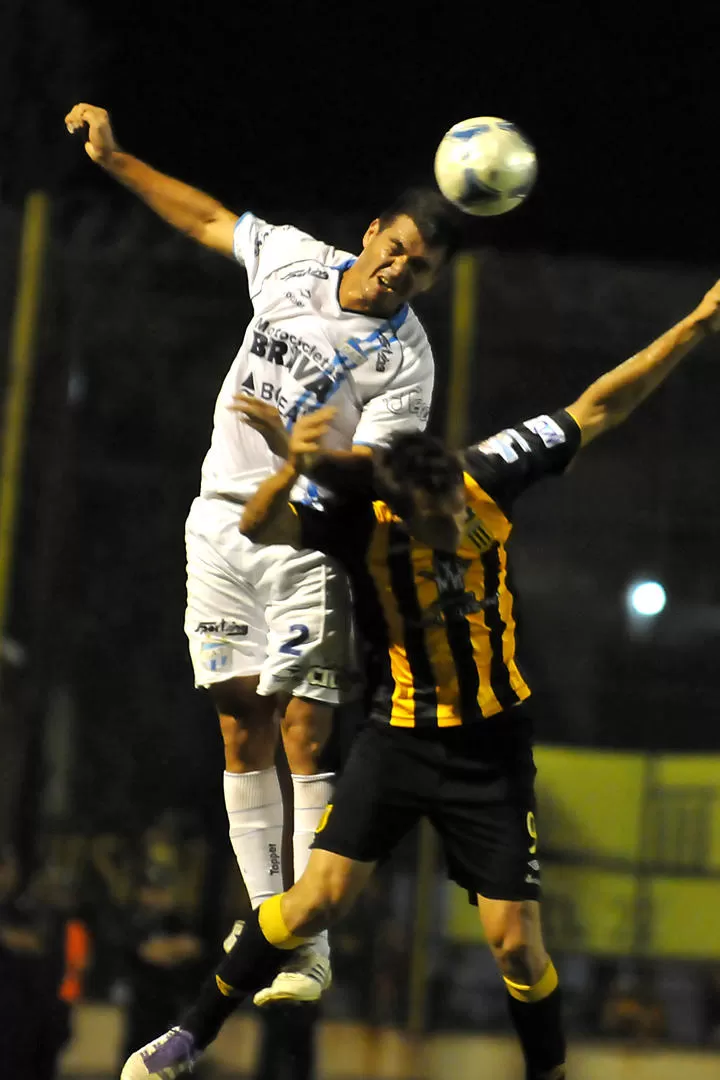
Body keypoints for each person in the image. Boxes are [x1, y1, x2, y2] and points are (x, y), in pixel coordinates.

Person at [119, 277, 720, 1080]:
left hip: (491, 747)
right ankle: (189, 1036)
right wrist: (290, 467)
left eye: (451, 511)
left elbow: (601, 403)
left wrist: (701, 321)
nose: (448, 527)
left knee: (516, 941)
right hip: (399, 736)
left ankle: (551, 1073)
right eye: (430, 518)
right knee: (313, 903)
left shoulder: (485, 475)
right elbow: (263, 524)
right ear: (396, 502)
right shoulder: (353, 519)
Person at [64, 103, 464, 1003]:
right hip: (217, 527)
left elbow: (389, 469)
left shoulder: (406, 358)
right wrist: (118, 158)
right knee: (239, 724)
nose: (399, 270)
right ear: (371, 233)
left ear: (431, 281)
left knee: (305, 729)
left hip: (305, 544)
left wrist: (303, 453)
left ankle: (313, 938)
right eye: (394, 248)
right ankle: (273, 923)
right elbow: (207, 217)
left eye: (419, 268)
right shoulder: (291, 259)